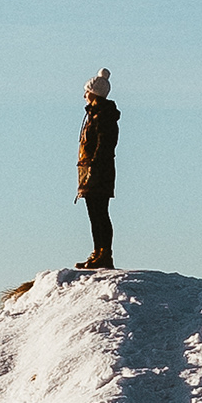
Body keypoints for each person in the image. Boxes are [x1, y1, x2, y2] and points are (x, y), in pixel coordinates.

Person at [75, 69, 119, 269]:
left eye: (87, 91)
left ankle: (104, 254)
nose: (84, 95)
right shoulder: (95, 115)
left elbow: (104, 144)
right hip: (92, 170)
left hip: (98, 171)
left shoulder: (103, 116)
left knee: (99, 212)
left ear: (94, 93)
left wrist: (94, 165)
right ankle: (98, 252)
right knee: (95, 213)